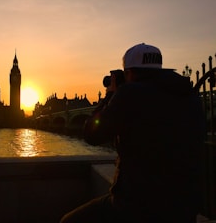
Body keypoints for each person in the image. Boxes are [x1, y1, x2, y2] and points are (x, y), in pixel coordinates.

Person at [60, 43, 204, 223]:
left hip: (137, 207)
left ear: (130, 72)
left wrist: (110, 95)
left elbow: (91, 134)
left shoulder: (130, 93)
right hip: (183, 208)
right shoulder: (189, 95)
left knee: (69, 221)